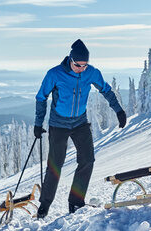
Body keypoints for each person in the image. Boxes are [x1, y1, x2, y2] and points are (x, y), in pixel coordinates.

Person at [34, 39, 127, 217]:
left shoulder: (91, 73)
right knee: (55, 166)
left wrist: (119, 110)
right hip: (59, 124)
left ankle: (75, 203)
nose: (81, 69)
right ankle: (45, 205)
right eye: (78, 65)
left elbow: (106, 90)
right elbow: (41, 97)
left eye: (85, 65)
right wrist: (38, 124)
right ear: (70, 60)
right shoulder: (55, 74)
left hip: (80, 123)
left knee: (87, 160)